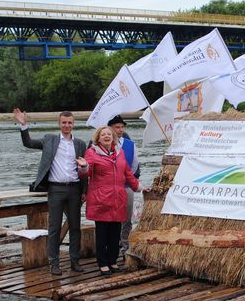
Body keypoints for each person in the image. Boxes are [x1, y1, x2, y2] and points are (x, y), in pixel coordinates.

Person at [13, 108, 87, 275]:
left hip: (75, 189)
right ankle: (54, 263)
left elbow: (84, 169)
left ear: (73, 124)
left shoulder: (80, 144)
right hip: (55, 189)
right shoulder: (49, 140)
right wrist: (23, 125)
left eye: (69, 123)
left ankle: (75, 261)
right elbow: (28, 143)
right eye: (64, 123)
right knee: (54, 227)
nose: (67, 125)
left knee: (75, 227)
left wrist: (85, 190)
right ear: (59, 124)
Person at [77, 126, 147, 275]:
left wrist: (140, 188)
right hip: (101, 200)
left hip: (118, 200)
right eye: (103, 134)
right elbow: (85, 173)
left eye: (109, 134)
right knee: (102, 233)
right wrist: (83, 167)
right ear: (98, 138)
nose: (107, 136)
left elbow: (128, 173)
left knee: (115, 233)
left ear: (113, 137)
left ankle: (113, 261)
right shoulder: (92, 152)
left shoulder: (119, 153)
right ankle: (103, 263)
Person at [106, 115, 140, 259]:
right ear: (110, 129)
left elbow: (134, 165)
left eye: (121, 127)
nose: (120, 130)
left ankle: (125, 248)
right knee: (111, 219)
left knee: (127, 219)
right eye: (117, 127)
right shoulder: (104, 145)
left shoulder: (130, 144)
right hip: (109, 189)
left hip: (126, 186)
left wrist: (125, 179)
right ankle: (110, 248)